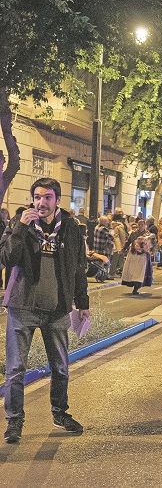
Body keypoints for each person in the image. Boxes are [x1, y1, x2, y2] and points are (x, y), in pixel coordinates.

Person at [2, 178, 90, 443]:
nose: (41, 202)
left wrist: (82, 302)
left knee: (60, 367)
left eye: (48, 197)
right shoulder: (20, 224)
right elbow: (6, 259)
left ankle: (60, 413)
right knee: (16, 369)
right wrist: (20, 228)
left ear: (57, 201)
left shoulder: (71, 228)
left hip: (57, 308)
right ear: (32, 199)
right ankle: (14, 421)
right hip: (22, 307)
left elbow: (78, 267)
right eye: (37, 197)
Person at [121, 219, 154, 295]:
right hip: (133, 254)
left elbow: (150, 244)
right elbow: (128, 241)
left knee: (140, 272)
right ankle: (134, 284)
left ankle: (136, 287)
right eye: (139, 225)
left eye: (142, 225)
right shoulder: (133, 233)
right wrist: (123, 249)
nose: (140, 226)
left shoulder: (147, 235)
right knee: (133, 271)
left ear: (145, 225)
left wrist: (148, 250)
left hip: (142, 256)